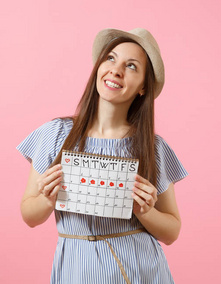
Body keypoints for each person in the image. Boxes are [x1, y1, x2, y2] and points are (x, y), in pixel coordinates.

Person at [17, 28, 188, 284]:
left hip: (140, 269)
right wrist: (47, 198)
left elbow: (172, 231)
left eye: (131, 66)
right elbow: (29, 215)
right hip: (77, 268)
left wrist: (144, 211)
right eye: (110, 58)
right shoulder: (54, 134)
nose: (116, 70)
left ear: (143, 87)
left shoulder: (152, 148)